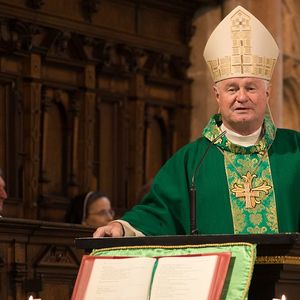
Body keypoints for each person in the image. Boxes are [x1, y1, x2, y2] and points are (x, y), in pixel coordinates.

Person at [93, 6, 300, 238]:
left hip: (290, 274)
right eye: (232, 89)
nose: (241, 97)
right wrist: (122, 227)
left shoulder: (295, 150)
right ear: (217, 95)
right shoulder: (193, 160)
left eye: (251, 87)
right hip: (223, 273)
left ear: (268, 93)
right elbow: (159, 212)